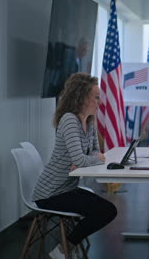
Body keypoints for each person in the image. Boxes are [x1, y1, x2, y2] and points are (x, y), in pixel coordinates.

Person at [33, 73, 117, 258]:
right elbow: (85, 159)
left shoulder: (89, 120)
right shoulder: (69, 120)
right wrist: (96, 158)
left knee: (108, 210)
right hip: (51, 193)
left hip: (67, 188)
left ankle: (65, 247)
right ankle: (62, 250)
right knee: (106, 211)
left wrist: (89, 158)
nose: (99, 102)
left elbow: (92, 152)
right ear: (81, 97)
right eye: (96, 97)